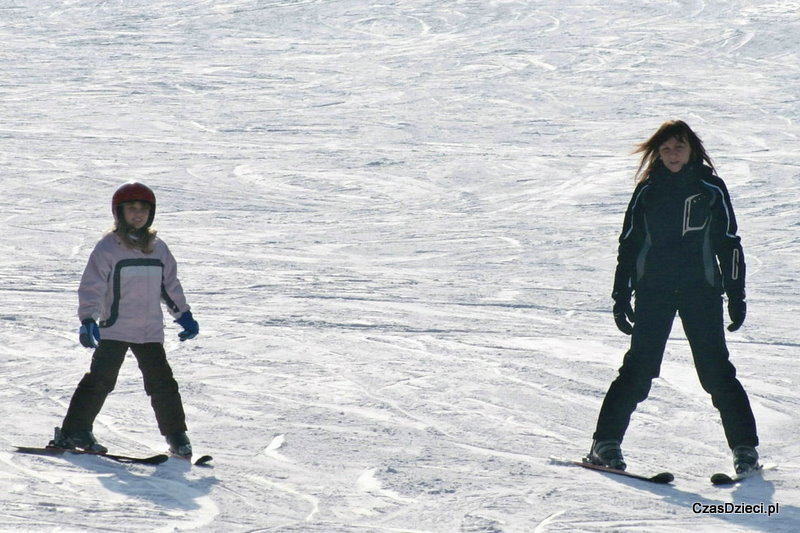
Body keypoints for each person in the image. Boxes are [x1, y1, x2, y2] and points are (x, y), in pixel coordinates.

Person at [588, 120, 759, 474]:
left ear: (692, 148)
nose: (672, 154)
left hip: (701, 291)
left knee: (716, 373)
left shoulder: (711, 188)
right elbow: (630, 245)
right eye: (665, 149)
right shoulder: (647, 191)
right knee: (638, 369)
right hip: (656, 292)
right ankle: (604, 444)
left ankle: (745, 451)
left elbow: (729, 242)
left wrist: (735, 293)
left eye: (678, 147)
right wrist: (622, 295)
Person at [51, 181, 200, 457]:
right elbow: (92, 285)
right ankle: (75, 430)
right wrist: (88, 319)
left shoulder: (158, 248)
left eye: (143, 209)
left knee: (163, 384)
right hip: (115, 327)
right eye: (131, 209)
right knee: (100, 381)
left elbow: (170, 286)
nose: (138, 214)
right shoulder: (108, 248)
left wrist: (184, 314)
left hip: (150, 331)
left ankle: (177, 435)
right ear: (119, 213)